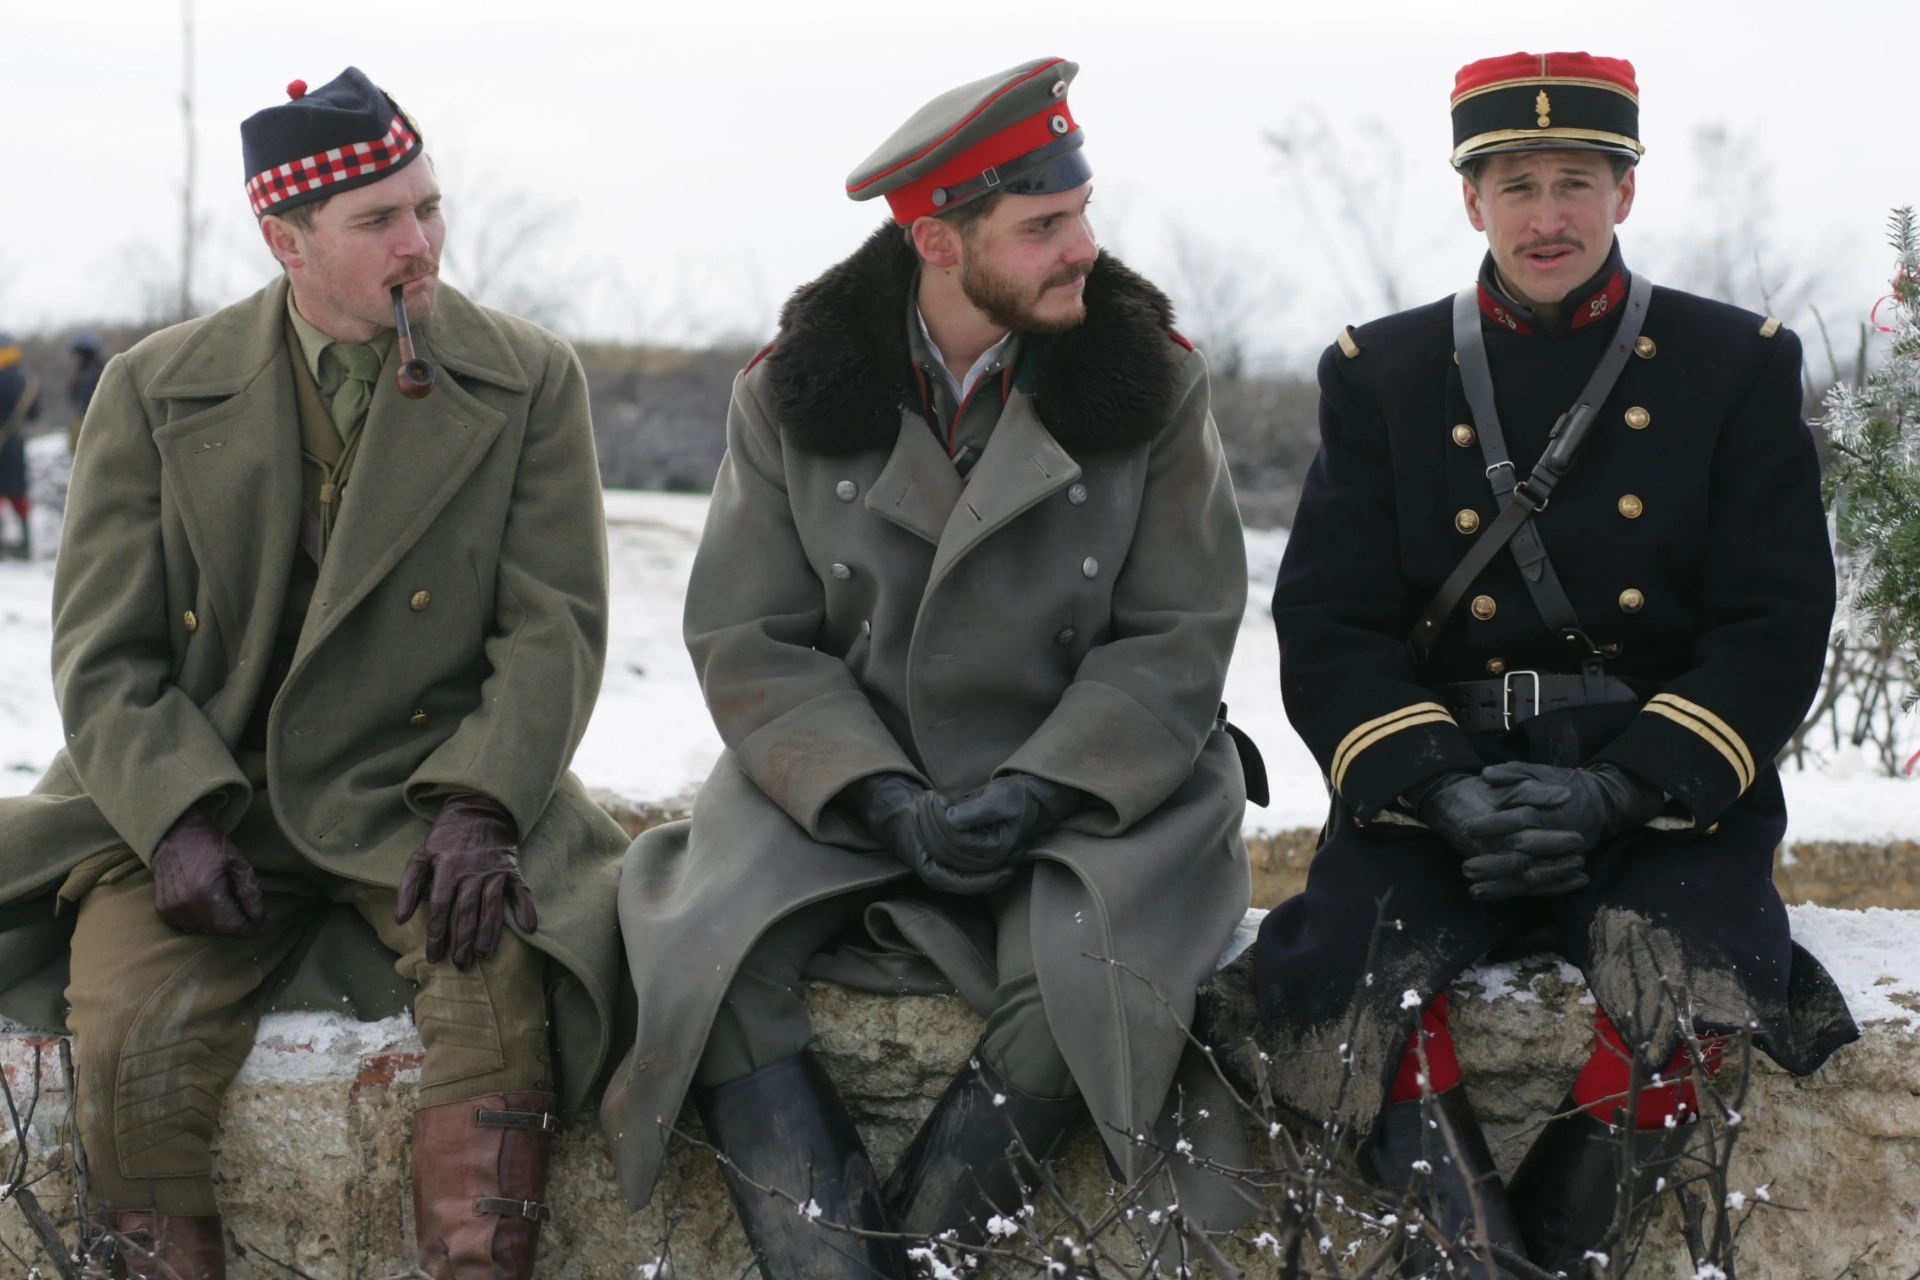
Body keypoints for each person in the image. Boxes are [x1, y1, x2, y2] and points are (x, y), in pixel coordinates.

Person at [600, 57, 1260, 1278]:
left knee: (1091, 985)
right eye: (1044, 226)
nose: (1083, 249)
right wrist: (874, 790)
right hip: (851, 770)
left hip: (1099, 782)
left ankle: (896, 1256)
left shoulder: (1154, 381)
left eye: (1079, 212)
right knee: (704, 956)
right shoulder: (787, 393)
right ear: (937, 242)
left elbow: (1180, 629)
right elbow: (751, 636)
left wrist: (1042, 785)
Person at [1201, 51, 1858, 1276]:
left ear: (1625, 190)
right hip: (1444, 780)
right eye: (1515, 184)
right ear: (1470, 200)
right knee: (1348, 982)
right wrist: (1440, 783)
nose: (1545, 216)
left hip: (1655, 784)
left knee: (1699, 989)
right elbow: (1332, 619)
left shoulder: (1735, 363)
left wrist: (1625, 785)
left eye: (1575, 181)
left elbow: (1773, 621)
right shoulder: (1380, 371)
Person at [0, 69, 628, 1280]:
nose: (422, 244)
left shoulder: (530, 377)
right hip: (207, 783)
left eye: (429, 208)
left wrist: (484, 805)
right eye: (380, 220)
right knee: (127, 1029)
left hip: (423, 789)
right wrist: (174, 817)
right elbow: (102, 647)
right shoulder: (150, 388)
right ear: (286, 239)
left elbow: (555, 626)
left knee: (495, 991)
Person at [0, 332, 39, 558]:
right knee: (19, 494)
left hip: (1, 443)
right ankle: (26, 544)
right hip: (17, 443)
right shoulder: (28, 379)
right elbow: (34, 414)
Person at [67, 328, 105, 454]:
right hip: (86, 430)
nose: (73, 358)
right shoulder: (81, 373)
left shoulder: (100, 372)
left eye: (76, 353)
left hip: (100, 433)